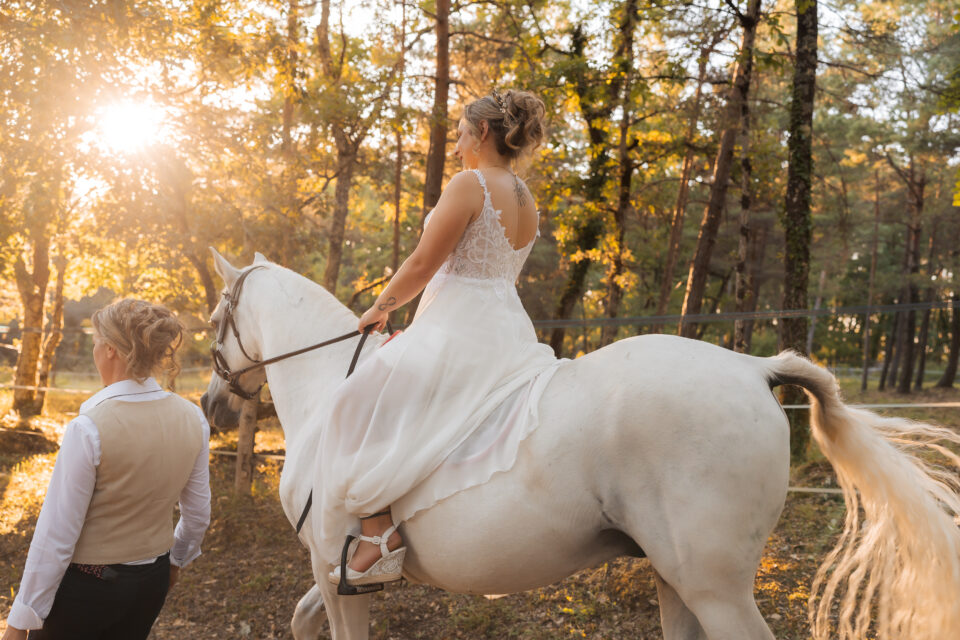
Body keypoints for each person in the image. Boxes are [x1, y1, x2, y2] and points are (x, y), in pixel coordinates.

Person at [320, 88, 561, 588]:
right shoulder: (525, 195)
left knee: (357, 399)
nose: (455, 145)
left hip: (461, 324)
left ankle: (378, 532)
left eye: (459, 134)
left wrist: (379, 308)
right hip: (505, 325)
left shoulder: (469, 183)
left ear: (484, 133)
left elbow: (423, 264)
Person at [2, 299, 211, 640]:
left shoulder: (89, 428)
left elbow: (56, 535)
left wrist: (19, 621)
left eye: (97, 340)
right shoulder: (193, 419)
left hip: (87, 591)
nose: (94, 349)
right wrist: (175, 563)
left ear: (111, 350)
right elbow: (198, 514)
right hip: (151, 585)